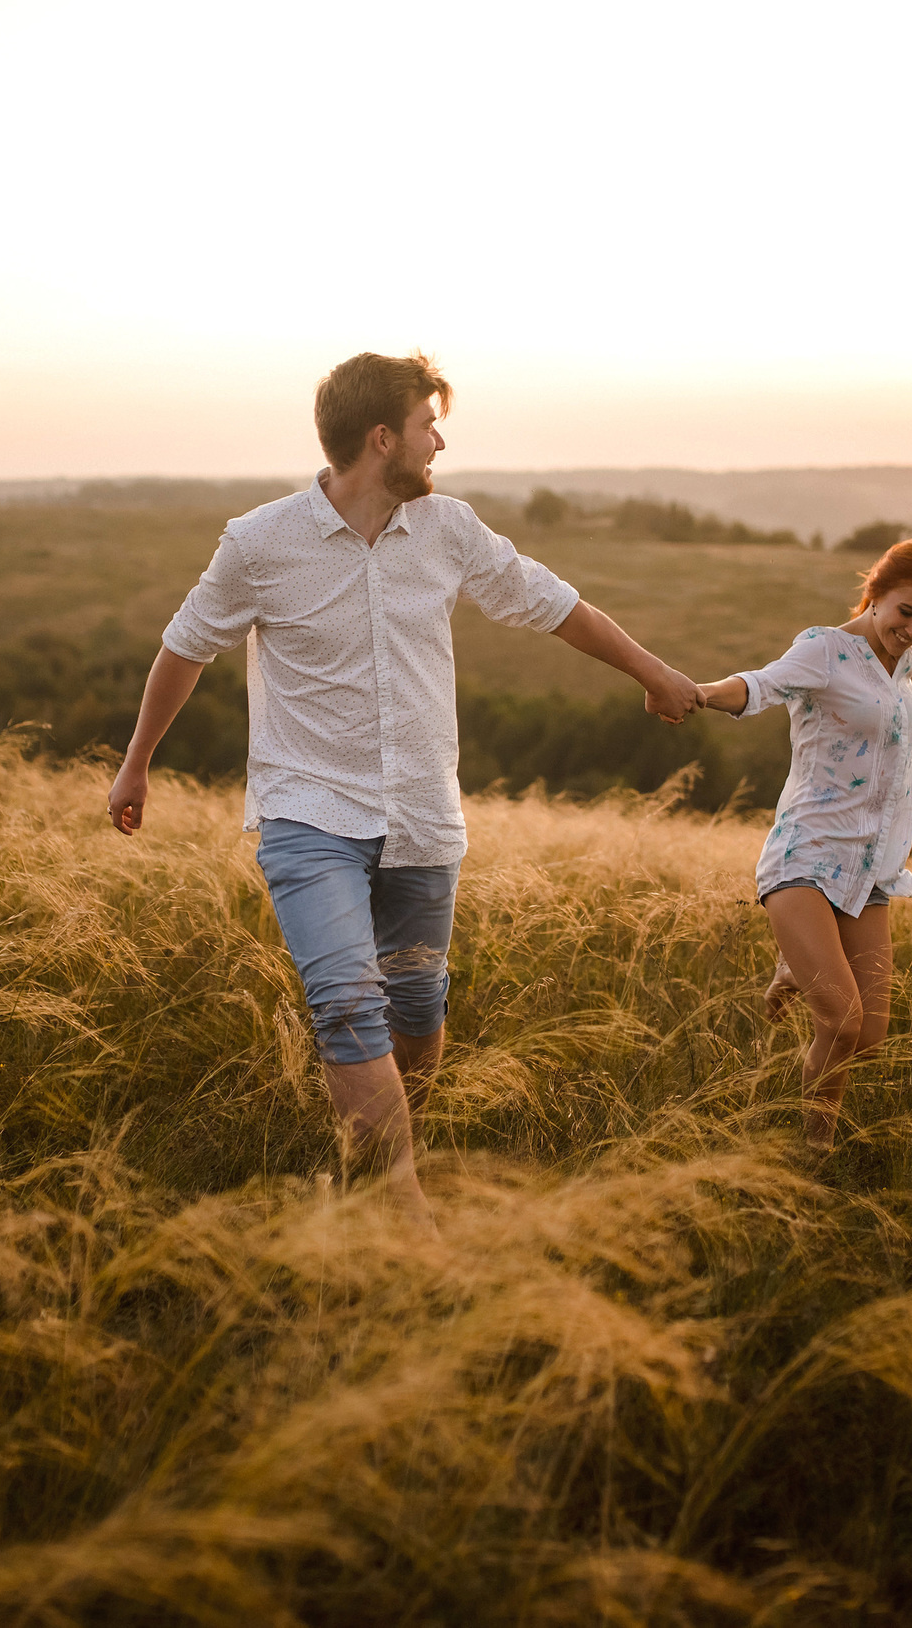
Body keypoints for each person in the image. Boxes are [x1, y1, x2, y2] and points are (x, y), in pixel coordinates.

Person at [105, 352, 705, 1222]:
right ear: (383, 438)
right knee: (347, 999)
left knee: (417, 1000)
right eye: (429, 425)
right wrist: (137, 761)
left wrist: (651, 671)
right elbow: (185, 647)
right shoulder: (260, 542)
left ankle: (380, 1155)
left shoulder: (450, 529)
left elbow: (552, 602)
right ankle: (403, 1210)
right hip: (308, 810)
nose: (441, 441)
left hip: (423, 813)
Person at [698, 537, 912, 1149]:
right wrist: (700, 694)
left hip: (870, 866)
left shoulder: (904, 668)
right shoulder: (824, 649)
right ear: (875, 592)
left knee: (871, 1037)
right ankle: (815, 1148)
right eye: (907, 612)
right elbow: (760, 685)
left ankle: (792, 968)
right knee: (843, 1023)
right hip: (807, 853)